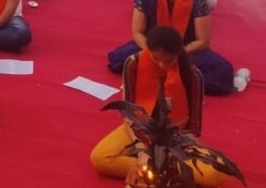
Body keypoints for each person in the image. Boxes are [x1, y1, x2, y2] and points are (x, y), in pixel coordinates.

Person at [91, 25, 228, 187]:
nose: (162, 65)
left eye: (169, 60)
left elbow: (193, 129)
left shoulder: (192, 75)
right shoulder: (133, 63)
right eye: (156, 59)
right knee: (100, 158)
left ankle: (155, 168)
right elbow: (128, 114)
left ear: (178, 53)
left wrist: (171, 154)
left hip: (175, 137)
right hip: (139, 129)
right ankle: (163, 170)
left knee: (216, 172)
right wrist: (142, 150)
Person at [107, 0, 233, 96]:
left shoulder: (197, 1)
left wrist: (175, 55)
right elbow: (138, 32)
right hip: (152, 47)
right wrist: (153, 53)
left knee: (223, 72)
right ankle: (180, 77)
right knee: (118, 59)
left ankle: (163, 75)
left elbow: (203, 41)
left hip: (185, 49)